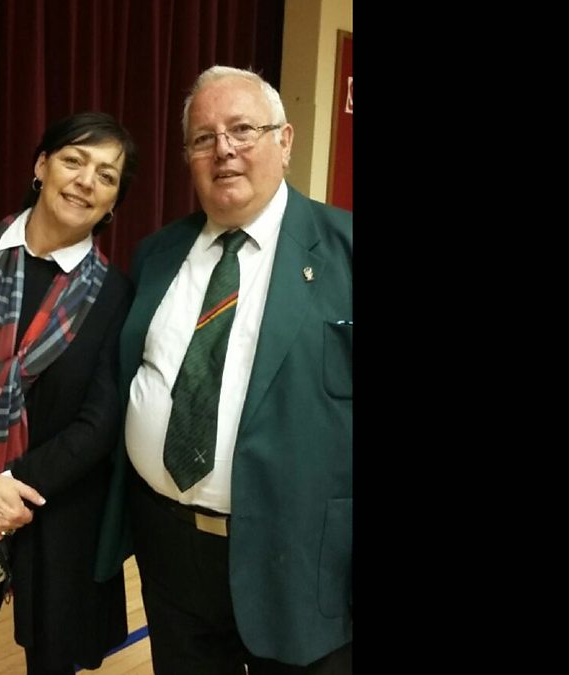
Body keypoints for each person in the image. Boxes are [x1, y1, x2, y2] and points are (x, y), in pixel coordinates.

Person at [94, 66, 353, 673]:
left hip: (305, 561)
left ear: (284, 140)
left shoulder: (345, 250)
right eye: (204, 138)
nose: (224, 149)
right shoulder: (157, 254)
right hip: (170, 551)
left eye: (242, 130)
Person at [0, 111, 137, 675]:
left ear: (113, 202)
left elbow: (98, 424)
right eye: (74, 160)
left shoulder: (116, 294)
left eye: (107, 175)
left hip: (54, 514)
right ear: (42, 165)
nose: (86, 181)